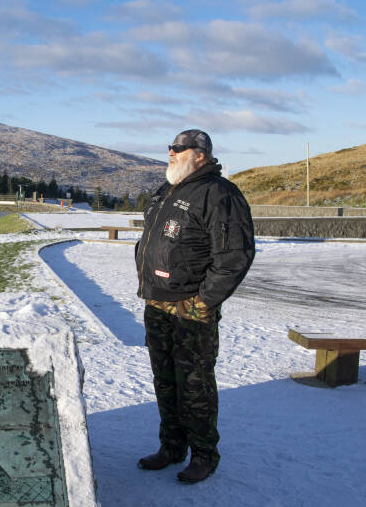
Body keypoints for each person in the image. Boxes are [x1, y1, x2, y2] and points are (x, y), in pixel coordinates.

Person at [134, 129, 255, 483]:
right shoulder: (168, 189)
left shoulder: (220, 194)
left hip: (191, 306)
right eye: (170, 148)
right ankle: (171, 447)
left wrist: (204, 301)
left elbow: (235, 256)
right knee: (165, 380)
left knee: (195, 384)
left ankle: (204, 454)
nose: (170, 153)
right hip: (157, 302)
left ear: (200, 154)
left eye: (178, 148)